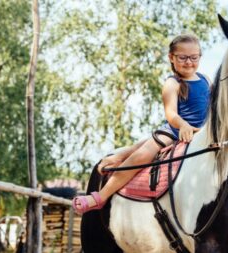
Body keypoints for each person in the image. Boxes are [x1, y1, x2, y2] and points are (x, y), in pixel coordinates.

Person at [72, 34, 211, 214]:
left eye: (194, 57)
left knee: (141, 146)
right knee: (141, 156)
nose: (189, 62)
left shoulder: (206, 79)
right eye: (182, 57)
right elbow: (171, 114)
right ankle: (101, 196)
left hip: (200, 131)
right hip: (176, 130)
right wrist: (183, 125)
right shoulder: (172, 83)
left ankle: (120, 154)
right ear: (171, 57)